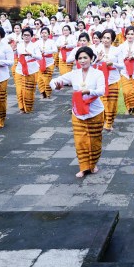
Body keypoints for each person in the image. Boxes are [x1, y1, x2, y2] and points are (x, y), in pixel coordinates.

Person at [50, 47, 106, 178]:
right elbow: (53, 81)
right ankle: (83, 166)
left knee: (94, 140)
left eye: (85, 57)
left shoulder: (98, 73)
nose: (82, 60)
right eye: (80, 58)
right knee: (80, 140)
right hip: (78, 112)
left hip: (95, 112)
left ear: (91, 59)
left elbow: (102, 91)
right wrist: (56, 86)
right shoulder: (74, 74)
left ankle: (93, 165)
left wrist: (89, 92)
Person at [97, 29, 124, 131]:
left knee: (112, 103)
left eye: (108, 38)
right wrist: (98, 60)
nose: (105, 40)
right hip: (100, 80)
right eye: (104, 37)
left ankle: (109, 122)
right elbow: (91, 64)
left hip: (113, 79)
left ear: (112, 39)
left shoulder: (117, 50)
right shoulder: (97, 49)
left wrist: (112, 64)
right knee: (102, 101)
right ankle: (103, 121)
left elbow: (122, 66)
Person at [14, 28, 42, 113]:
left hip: (31, 69)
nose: (26, 37)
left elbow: (40, 57)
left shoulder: (35, 45)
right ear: (22, 36)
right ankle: (21, 108)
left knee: (28, 90)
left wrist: (31, 54)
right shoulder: (19, 45)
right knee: (19, 90)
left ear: (31, 36)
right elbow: (15, 54)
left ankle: (28, 108)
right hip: (20, 68)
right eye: (24, 35)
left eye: (28, 35)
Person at [36, 27, 58, 99]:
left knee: (47, 79)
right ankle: (43, 92)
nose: (44, 34)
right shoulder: (37, 42)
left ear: (48, 34)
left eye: (45, 33)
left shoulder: (51, 41)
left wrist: (46, 52)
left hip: (49, 63)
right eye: (42, 33)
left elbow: (55, 50)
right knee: (39, 80)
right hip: (39, 63)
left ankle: (48, 93)